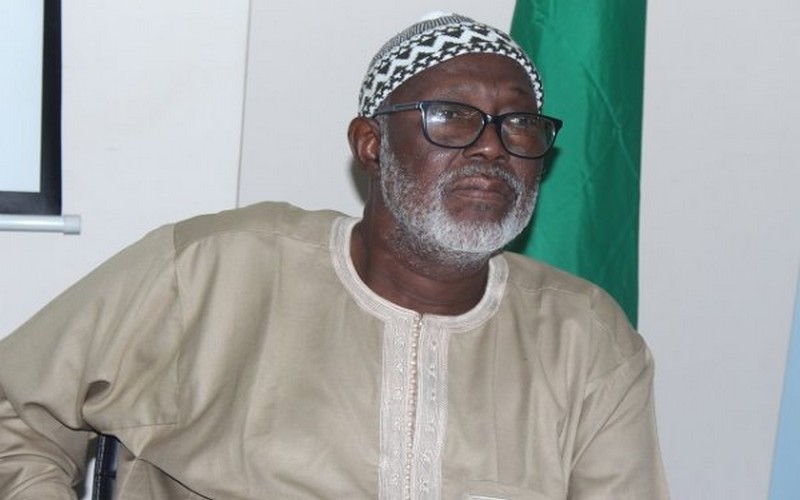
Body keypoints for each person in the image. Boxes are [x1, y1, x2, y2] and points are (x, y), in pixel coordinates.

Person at [0, 12, 669, 500]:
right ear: (371, 144)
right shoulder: (213, 271)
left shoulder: (584, 335)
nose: (493, 146)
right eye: (451, 116)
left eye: (519, 124)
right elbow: (13, 409)